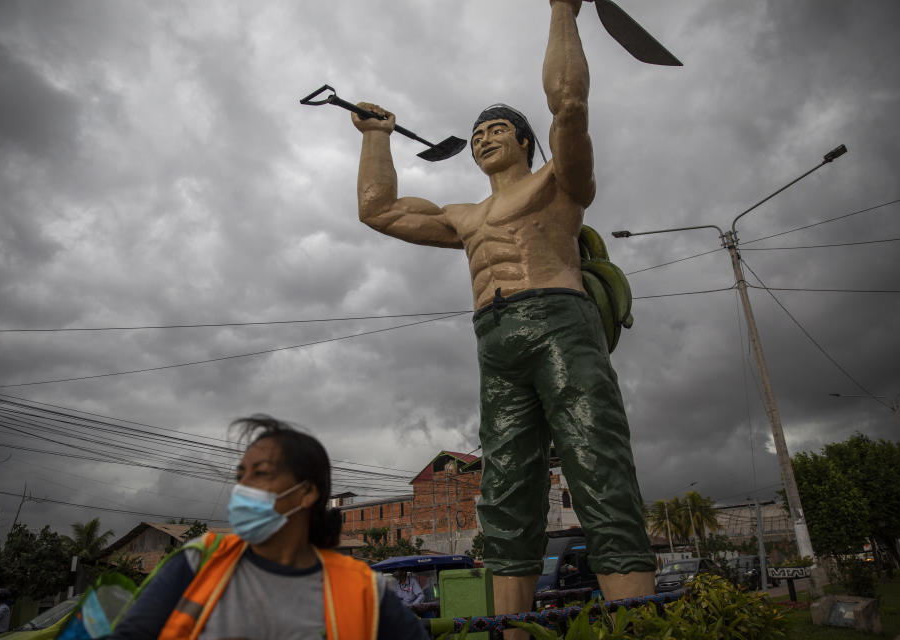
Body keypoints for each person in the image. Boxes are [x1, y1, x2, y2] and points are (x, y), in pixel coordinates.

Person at [350, 0, 656, 628]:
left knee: (595, 461)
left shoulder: (559, 182)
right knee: (506, 488)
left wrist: (562, 12)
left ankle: (638, 623)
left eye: (498, 128)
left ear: (524, 140)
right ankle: (511, 630)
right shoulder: (465, 217)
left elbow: (569, 103)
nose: (485, 136)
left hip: (559, 324)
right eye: (478, 132)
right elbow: (377, 211)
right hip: (494, 341)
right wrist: (378, 138)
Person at [108, 414, 427, 640]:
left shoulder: (363, 591)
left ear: (306, 493)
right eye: (240, 476)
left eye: (260, 473)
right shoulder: (199, 562)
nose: (243, 486)